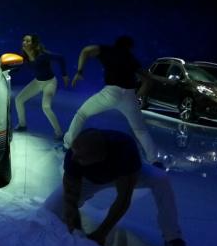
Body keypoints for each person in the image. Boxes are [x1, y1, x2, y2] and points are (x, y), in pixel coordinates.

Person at [44, 128, 192, 246]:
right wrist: (75, 229)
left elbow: (123, 199)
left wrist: (101, 233)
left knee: (161, 179)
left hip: (124, 175)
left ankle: (173, 238)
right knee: (49, 210)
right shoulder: (74, 156)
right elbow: (70, 195)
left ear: (99, 157)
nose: (74, 158)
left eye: (81, 157)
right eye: (75, 153)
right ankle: (78, 204)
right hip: (89, 180)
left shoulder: (125, 149)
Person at [64, 36, 160, 166]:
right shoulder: (131, 59)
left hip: (111, 92)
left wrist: (79, 71)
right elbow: (148, 81)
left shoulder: (108, 50)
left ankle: (67, 145)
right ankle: (154, 160)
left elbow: (86, 50)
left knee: (81, 114)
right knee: (140, 130)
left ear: (117, 44)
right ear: (129, 47)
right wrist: (135, 97)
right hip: (129, 94)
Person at [14, 34, 68, 139]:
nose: (24, 42)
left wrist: (64, 75)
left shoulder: (43, 55)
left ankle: (59, 133)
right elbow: (18, 67)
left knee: (46, 107)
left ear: (33, 44)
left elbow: (60, 58)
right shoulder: (25, 56)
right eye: (24, 40)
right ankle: (22, 125)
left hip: (50, 83)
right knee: (19, 100)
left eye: (28, 41)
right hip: (37, 82)